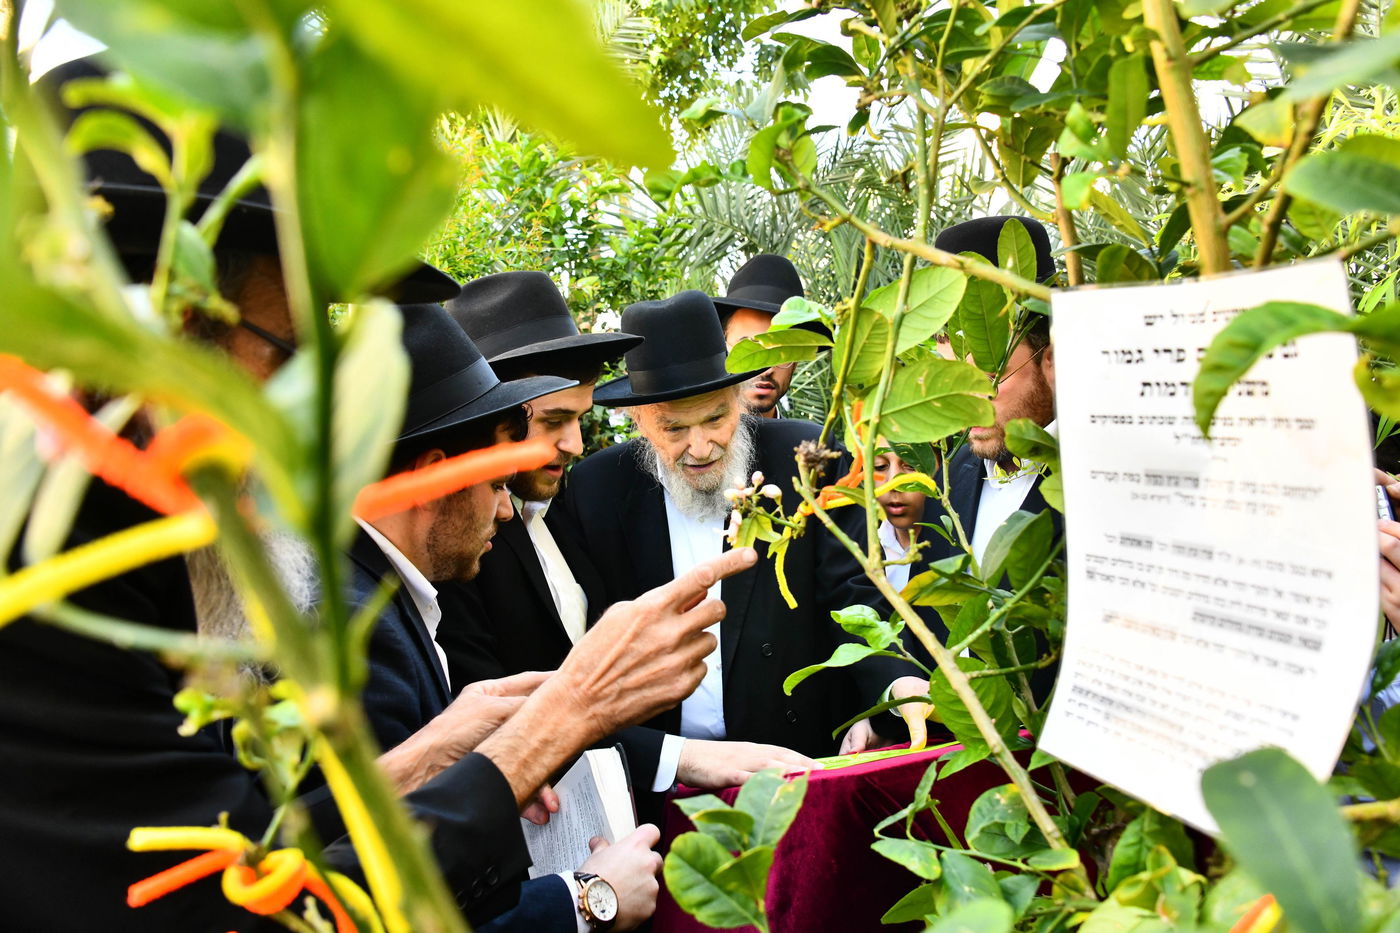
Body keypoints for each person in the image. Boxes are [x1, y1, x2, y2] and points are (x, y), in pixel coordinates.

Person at [0, 60, 760, 931]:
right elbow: (261, 913)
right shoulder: (42, 576)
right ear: (173, 330)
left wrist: (443, 747)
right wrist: (564, 716)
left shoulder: (127, 546)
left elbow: (240, 846)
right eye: (288, 359)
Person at [439, 271, 822, 792]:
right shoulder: (457, 547)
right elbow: (500, 717)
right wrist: (678, 757)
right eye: (553, 421)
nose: (575, 444)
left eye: (579, 417)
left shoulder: (557, 511)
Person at [566, 290, 903, 762]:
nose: (701, 447)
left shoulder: (807, 458)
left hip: (800, 757)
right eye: (675, 430)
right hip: (661, 774)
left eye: (715, 418)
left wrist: (881, 698)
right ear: (639, 420)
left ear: (738, 400)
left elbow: (855, 595)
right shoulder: (594, 490)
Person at [712, 254, 815, 418]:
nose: (766, 369)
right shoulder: (693, 442)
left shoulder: (816, 442)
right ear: (723, 350)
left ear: (796, 360)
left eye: (780, 352)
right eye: (749, 347)